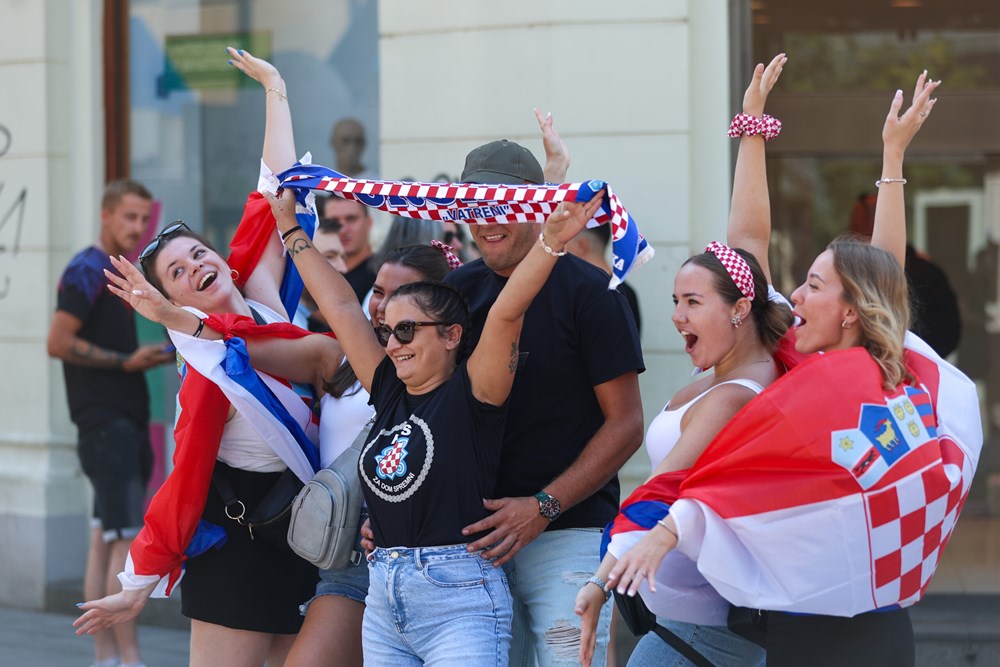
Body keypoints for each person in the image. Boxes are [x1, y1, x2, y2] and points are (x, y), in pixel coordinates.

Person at [597, 73, 959, 667]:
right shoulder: (790, 350)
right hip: (787, 623)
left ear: (852, 310)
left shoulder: (875, 375)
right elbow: (746, 241)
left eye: (812, 285)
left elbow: (884, 270)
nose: (793, 294)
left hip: (857, 621)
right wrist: (752, 127)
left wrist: (893, 159)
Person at [268, 172, 606, 664]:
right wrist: (289, 228)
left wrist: (551, 240)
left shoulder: (475, 394)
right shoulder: (388, 388)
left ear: (451, 335)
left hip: (460, 600)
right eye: (388, 332)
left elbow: (507, 312)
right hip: (384, 599)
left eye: (408, 331)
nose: (393, 344)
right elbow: (340, 303)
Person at [73, 49, 323, 667]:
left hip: (305, 534)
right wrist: (136, 584)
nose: (195, 268)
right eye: (177, 274)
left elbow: (274, 188)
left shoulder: (261, 295)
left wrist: (275, 89)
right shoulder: (208, 374)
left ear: (221, 260)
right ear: (172, 302)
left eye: (197, 255)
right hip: (240, 544)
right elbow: (182, 478)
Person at [574, 53, 791, 667]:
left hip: (698, 638)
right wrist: (752, 124)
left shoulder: (734, 396)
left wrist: (598, 582)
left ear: (739, 308)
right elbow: (749, 237)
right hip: (678, 626)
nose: (677, 316)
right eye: (675, 301)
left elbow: (663, 486)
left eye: (692, 302)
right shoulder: (732, 357)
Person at [446, 114, 645, 666]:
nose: (486, 220)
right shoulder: (455, 290)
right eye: (475, 206)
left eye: (501, 203)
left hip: (568, 531)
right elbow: (428, 414)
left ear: (535, 204)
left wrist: (543, 506)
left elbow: (627, 424)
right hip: (469, 538)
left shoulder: (594, 293)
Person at [284, 243, 455, 667]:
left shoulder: (455, 381)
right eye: (378, 291)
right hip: (351, 555)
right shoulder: (338, 356)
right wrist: (183, 322)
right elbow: (235, 350)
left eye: (403, 295)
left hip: (436, 560)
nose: (384, 307)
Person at [47, 178, 174, 667]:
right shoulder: (86, 269)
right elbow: (58, 341)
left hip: (117, 423)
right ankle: (130, 658)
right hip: (107, 426)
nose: (138, 227)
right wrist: (125, 363)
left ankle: (105, 659)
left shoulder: (116, 270)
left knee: (104, 538)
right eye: (129, 217)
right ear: (106, 215)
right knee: (122, 542)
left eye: (144, 218)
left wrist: (152, 355)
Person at [566, 222, 642, 334]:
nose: (559, 251)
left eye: (564, 243)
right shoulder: (626, 292)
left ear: (581, 245)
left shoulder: (585, 294)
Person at [295, 215, 347, 332]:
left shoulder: (297, 321)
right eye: (330, 256)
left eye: (343, 257)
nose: (344, 268)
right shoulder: (280, 323)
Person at [321, 195, 376, 302]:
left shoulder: (382, 276)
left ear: (369, 223)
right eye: (333, 221)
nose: (343, 230)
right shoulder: (316, 275)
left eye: (351, 219)